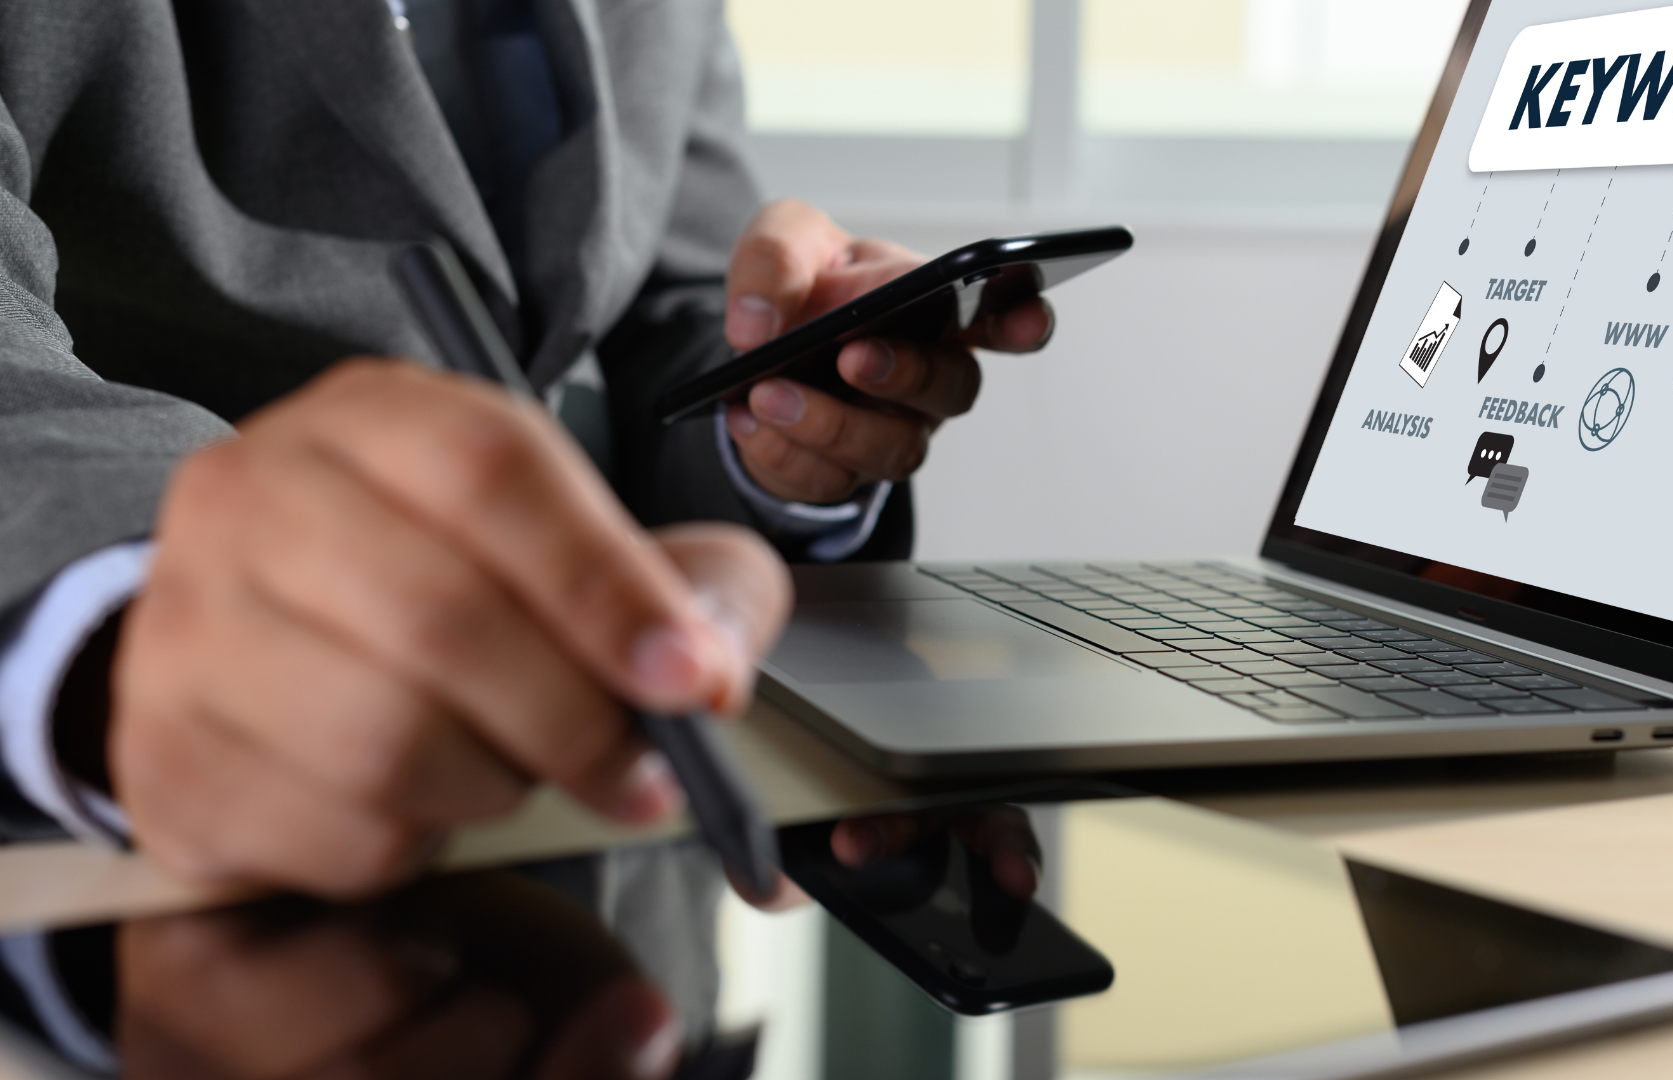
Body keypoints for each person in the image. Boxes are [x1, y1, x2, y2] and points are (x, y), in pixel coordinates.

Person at [0, 0, 1054, 896]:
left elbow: (662, 309)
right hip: (153, 861)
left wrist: (782, 407)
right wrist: (131, 608)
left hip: (622, 888)